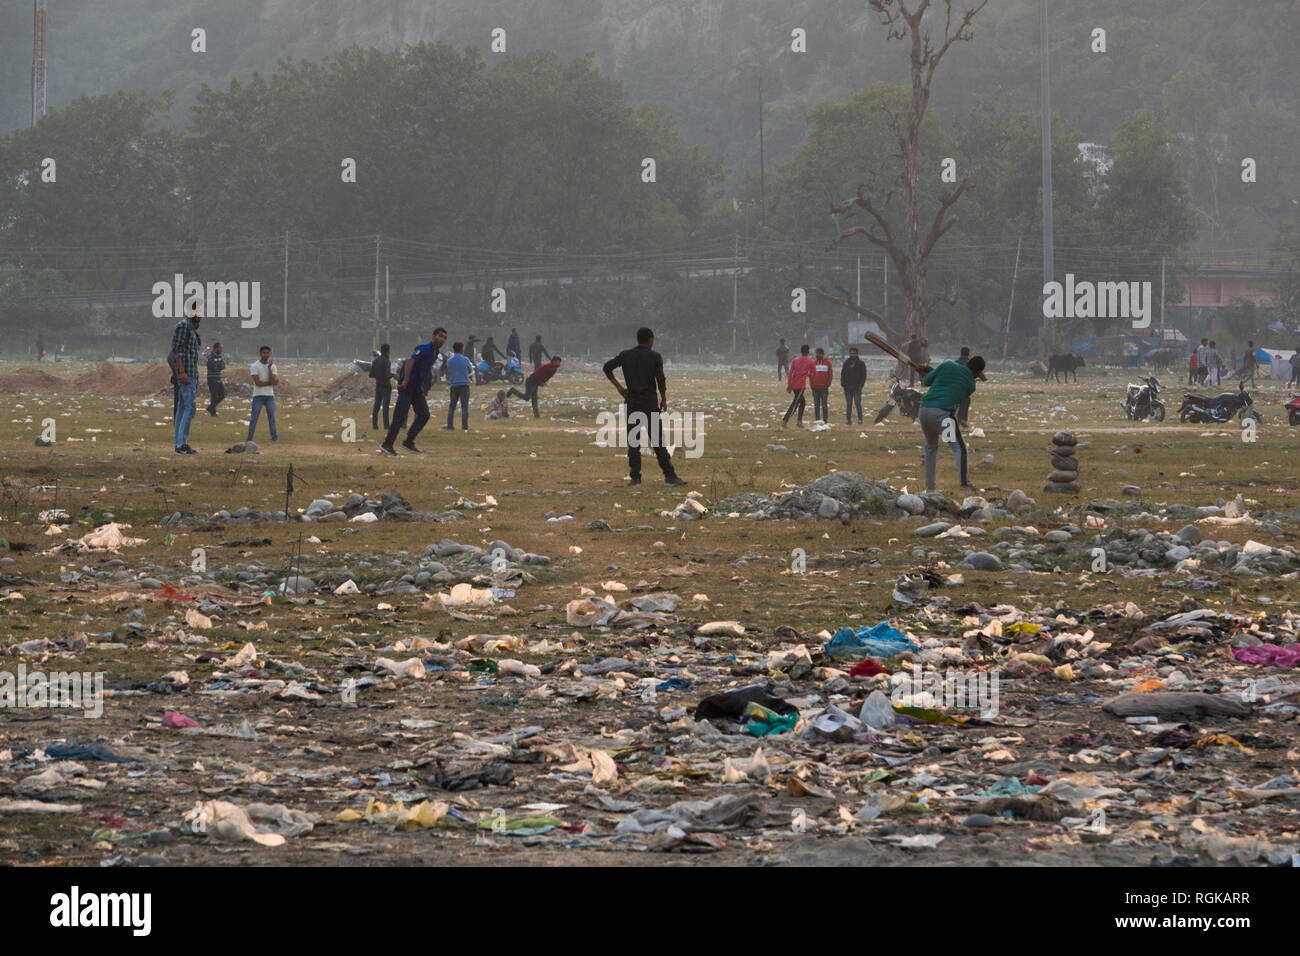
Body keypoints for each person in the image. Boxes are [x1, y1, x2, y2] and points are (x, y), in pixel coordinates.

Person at [603, 326, 686, 487]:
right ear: (650, 339)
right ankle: (669, 476)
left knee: (634, 441)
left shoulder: (626, 355)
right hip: (649, 403)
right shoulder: (654, 356)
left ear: (638, 339)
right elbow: (660, 379)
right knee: (658, 441)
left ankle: (635, 478)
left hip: (632, 402)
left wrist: (619, 387)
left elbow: (607, 367)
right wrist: (664, 398)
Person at [917, 355, 985, 493]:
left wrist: (924, 370)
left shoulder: (947, 364)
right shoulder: (971, 385)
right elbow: (953, 381)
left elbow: (927, 380)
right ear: (977, 373)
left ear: (967, 362)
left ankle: (930, 487)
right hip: (943, 415)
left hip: (924, 411)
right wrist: (929, 370)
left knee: (931, 448)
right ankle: (964, 484)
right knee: (959, 448)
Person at [380, 327, 447, 455]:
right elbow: (410, 362)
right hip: (408, 386)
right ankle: (387, 444)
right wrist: (405, 380)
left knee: (424, 414)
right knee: (400, 416)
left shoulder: (435, 353)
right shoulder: (424, 348)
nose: (442, 339)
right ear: (433, 336)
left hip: (417, 388)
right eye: (440, 336)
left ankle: (409, 441)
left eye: (444, 337)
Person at [169, 302, 202, 455]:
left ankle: (180, 443)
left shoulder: (191, 329)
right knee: (190, 408)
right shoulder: (183, 326)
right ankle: (180, 444)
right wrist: (181, 371)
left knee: (182, 408)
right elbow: (177, 350)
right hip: (186, 374)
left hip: (191, 373)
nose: (200, 315)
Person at [247, 346, 279, 443]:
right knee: (254, 418)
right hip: (258, 396)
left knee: (271, 417)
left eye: (268, 353)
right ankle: (249, 438)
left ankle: (274, 438)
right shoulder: (255, 366)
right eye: (264, 353)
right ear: (260, 353)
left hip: (270, 396)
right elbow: (258, 383)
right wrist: (270, 383)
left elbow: (274, 381)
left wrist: (269, 368)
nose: (266, 355)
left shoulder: (273, 366)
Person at [782, 344, 815, 428]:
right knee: (795, 403)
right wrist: (807, 374)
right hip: (801, 386)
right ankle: (785, 421)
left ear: (801, 351)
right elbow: (814, 373)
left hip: (794, 385)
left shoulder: (795, 360)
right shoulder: (811, 361)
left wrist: (789, 385)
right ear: (808, 351)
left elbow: (790, 374)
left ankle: (799, 422)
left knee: (802, 402)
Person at [443, 341, 473, 431]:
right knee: (464, 407)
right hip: (464, 384)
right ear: (461, 349)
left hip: (454, 385)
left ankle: (450, 425)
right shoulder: (466, 360)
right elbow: (470, 370)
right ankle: (464, 426)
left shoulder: (449, 361)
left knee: (452, 406)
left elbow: (448, 371)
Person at [841, 346, 867, 425]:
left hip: (857, 388)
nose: (852, 355)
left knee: (857, 404)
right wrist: (843, 384)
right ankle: (848, 420)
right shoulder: (846, 363)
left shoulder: (861, 363)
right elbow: (843, 374)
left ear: (857, 354)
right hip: (847, 388)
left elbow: (864, 375)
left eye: (854, 353)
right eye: (851, 353)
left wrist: (860, 385)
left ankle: (860, 419)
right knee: (849, 404)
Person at [370, 344, 392, 430]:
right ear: (387, 351)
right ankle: (386, 426)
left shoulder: (375, 361)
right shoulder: (387, 361)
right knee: (385, 407)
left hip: (378, 386)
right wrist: (393, 376)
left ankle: (375, 425)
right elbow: (387, 375)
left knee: (376, 407)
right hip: (386, 387)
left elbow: (371, 374)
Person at [809, 347, 833, 422]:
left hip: (824, 388)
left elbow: (830, 375)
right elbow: (810, 375)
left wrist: (827, 384)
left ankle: (825, 420)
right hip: (815, 388)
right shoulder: (813, 363)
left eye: (819, 354)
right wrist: (812, 385)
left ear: (822, 354)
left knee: (824, 405)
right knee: (816, 405)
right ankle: (817, 419)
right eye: (816, 354)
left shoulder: (828, 363)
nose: (817, 355)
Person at [205, 342, 227, 416]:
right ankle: (213, 412)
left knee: (223, 394)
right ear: (215, 348)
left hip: (218, 377)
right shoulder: (210, 357)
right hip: (212, 379)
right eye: (220, 348)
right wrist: (218, 366)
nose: (221, 349)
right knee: (214, 396)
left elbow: (223, 366)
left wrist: (218, 366)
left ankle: (210, 407)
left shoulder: (220, 357)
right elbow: (212, 367)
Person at [954, 346, 974, 426]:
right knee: (966, 401)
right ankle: (962, 419)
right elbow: (982, 376)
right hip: (965, 388)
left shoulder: (955, 362)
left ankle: (959, 419)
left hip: (954, 387)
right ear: (968, 353)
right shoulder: (971, 363)